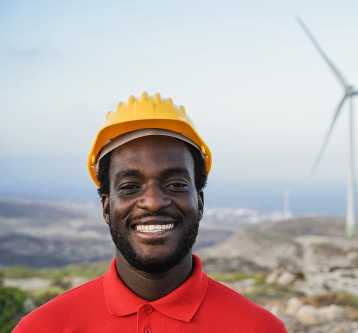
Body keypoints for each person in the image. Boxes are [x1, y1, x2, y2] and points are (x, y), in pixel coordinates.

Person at [13, 93, 288, 332]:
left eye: (176, 184)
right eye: (130, 186)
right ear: (106, 206)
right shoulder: (42, 327)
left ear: (200, 202)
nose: (154, 202)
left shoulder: (259, 328)